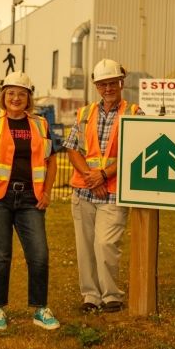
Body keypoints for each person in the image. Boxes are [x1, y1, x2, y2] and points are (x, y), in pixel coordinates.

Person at [0, 72, 60, 331]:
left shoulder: (40, 125)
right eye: (10, 93)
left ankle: (40, 309)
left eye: (21, 93)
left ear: (28, 97)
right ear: (3, 96)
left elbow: (51, 161)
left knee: (39, 255)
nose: (15, 98)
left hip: (31, 199)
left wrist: (47, 191)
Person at [64, 58, 143, 313]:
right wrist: (91, 176)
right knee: (85, 247)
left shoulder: (134, 113)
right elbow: (73, 149)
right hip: (85, 191)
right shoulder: (85, 113)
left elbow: (136, 151)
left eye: (112, 83)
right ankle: (90, 296)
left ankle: (111, 296)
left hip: (113, 192)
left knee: (105, 245)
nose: (108, 88)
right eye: (102, 84)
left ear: (121, 82)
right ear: (96, 86)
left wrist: (104, 175)